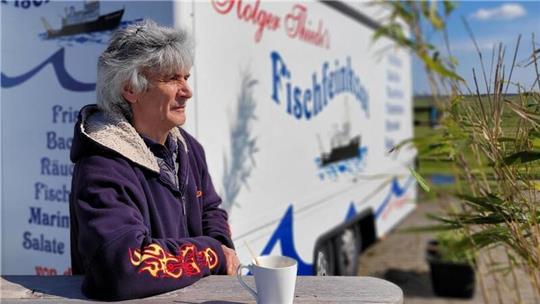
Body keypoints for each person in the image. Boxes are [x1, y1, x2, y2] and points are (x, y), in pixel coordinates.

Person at [69, 20, 240, 300]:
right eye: (172, 79)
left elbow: (211, 210)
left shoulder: (188, 148)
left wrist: (222, 248)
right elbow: (122, 268)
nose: (187, 91)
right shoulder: (103, 164)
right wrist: (212, 254)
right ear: (131, 90)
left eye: (186, 77)